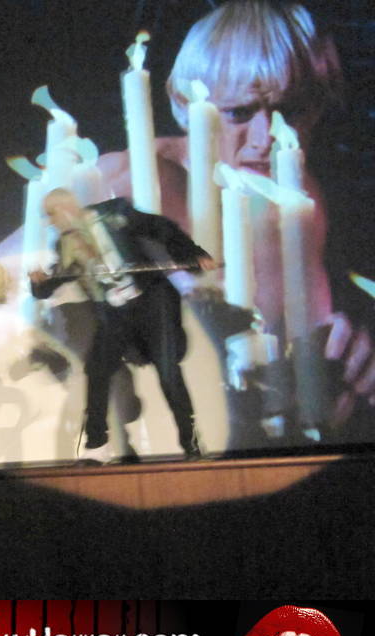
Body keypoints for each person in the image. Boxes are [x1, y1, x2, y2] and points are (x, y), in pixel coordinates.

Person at [97, 0, 375, 438]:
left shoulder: (297, 195)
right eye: (239, 113)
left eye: (292, 110)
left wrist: (346, 363)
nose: (266, 140)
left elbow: (296, 367)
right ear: (186, 103)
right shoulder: (125, 181)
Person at [29, 188, 217, 463]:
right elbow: (56, 279)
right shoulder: (65, 244)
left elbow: (161, 228)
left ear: (66, 208)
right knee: (97, 369)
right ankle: (96, 445)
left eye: (51, 214)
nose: (51, 222)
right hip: (115, 313)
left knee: (167, 372)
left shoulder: (114, 213)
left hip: (152, 303)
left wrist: (192, 254)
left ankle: (191, 444)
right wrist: (38, 284)